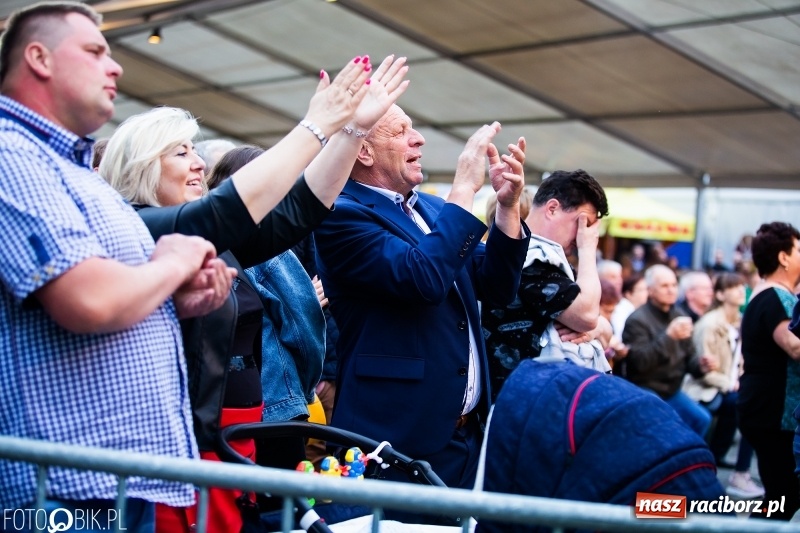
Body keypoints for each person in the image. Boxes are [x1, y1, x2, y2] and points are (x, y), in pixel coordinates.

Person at [99, 55, 409, 532]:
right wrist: (316, 127)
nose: (199, 163)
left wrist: (351, 132)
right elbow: (222, 211)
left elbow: (299, 211)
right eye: (180, 153)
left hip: (233, 435)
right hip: (176, 449)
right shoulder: (137, 228)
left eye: (196, 150)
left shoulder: (207, 238)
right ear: (141, 166)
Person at [0, 2, 235, 530]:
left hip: (111, 478)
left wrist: (175, 298)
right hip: (59, 487)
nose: (115, 66)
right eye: (94, 51)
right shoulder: (11, 153)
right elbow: (89, 300)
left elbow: (112, 291)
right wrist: (173, 264)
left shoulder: (74, 169)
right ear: (39, 58)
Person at [313, 104, 530, 513]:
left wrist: (507, 207)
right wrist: (463, 188)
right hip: (395, 438)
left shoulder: (431, 209)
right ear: (364, 152)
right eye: (401, 132)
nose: (419, 139)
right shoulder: (341, 213)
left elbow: (498, 288)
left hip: (463, 438)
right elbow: (423, 279)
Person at [482, 169, 612, 397]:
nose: (585, 234)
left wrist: (596, 328)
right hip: (524, 402)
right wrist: (588, 249)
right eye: (582, 223)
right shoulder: (529, 257)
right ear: (552, 209)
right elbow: (588, 316)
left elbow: (599, 325)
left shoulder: (551, 258)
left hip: (544, 399)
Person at [737, 221, 800, 520]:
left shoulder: (768, 294)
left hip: (765, 407)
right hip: (772, 410)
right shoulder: (777, 297)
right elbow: (795, 346)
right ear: (783, 257)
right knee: (784, 495)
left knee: (780, 494)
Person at [682, 272, 764, 499]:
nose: (740, 291)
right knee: (750, 406)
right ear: (720, 295)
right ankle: (740, 474)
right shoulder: (709, 324)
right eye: (733, 287)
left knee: (751, 401)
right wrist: (731, 384)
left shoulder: (740, 321)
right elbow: (704, 370)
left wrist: (741, 380)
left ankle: (720, 460)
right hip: (705, 388)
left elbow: (740, 362)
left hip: (728, 386)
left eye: (742, 286)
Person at [619, 264, 711, 437]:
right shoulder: (637, 320)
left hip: (672, 389)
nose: (671, 290)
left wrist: (701, 366)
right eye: (664, 286)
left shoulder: (679, 315)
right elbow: (639, 363)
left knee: (701, 419)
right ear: (650, 290)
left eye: (674, 285)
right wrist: (669, 337)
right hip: (646, 387)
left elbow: (689, 356)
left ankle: (688, 454)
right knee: (669, 423)